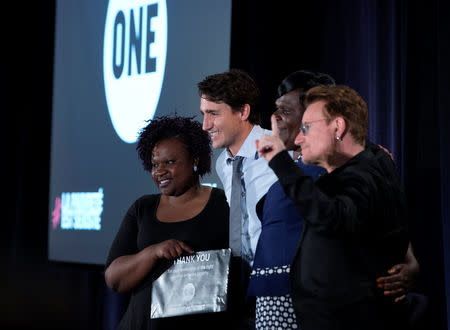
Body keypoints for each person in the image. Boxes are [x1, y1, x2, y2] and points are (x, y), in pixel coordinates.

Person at [248, 70, 420, 329]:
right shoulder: (274, 162)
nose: (276, 118)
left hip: (331, 302)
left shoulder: (352, 161)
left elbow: (370, 217)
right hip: (275, 294)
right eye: (276, 109)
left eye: (287, 110)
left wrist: (409, 262)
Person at [104, 116, 230, 330]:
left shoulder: (223, 203)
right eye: (155, 165)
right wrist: (153, 252)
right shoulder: (142, 208)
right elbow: (114, 279)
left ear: (195, 160)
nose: (159, 171)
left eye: (170, 162)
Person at [198, 69, 277, 328]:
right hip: (237, 291)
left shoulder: (280, 150)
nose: (205, 125)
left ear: (243, 112)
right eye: (204, 114)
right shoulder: (223, 163)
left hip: (276, 288)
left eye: (214, 114)